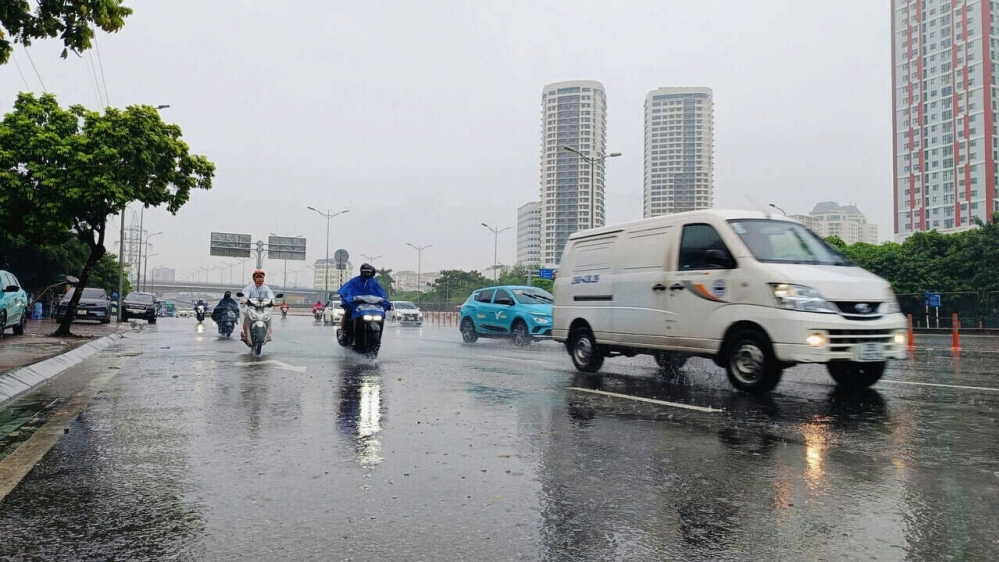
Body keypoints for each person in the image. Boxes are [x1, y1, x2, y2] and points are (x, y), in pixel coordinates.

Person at [337, 263, 390, 344]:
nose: (366, 274)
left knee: (381, 316)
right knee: (348, 312)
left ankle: (378, 339)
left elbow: (382, 294)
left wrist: (385, 302)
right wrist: (350, 299)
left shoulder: (374, 283)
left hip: (372, 307)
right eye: (365, 272)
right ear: (361, 272)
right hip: (357, 305)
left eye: (368, 272)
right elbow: (347, 291)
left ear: (371, 273)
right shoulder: (354, 281)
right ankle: (343, 333)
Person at [240, 268, 275, 345]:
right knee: (246, 316)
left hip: (263, 308)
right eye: (258, 277)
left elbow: (271, 296)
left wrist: (273, 302)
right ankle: (245, 333)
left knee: (270, 317)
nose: (260, 280)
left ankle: (268, 333)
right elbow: (245, 296)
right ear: (254, 278)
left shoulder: (266, 288)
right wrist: (244, 301)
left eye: (261, 278)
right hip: (252, 308)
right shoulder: (249, 288)